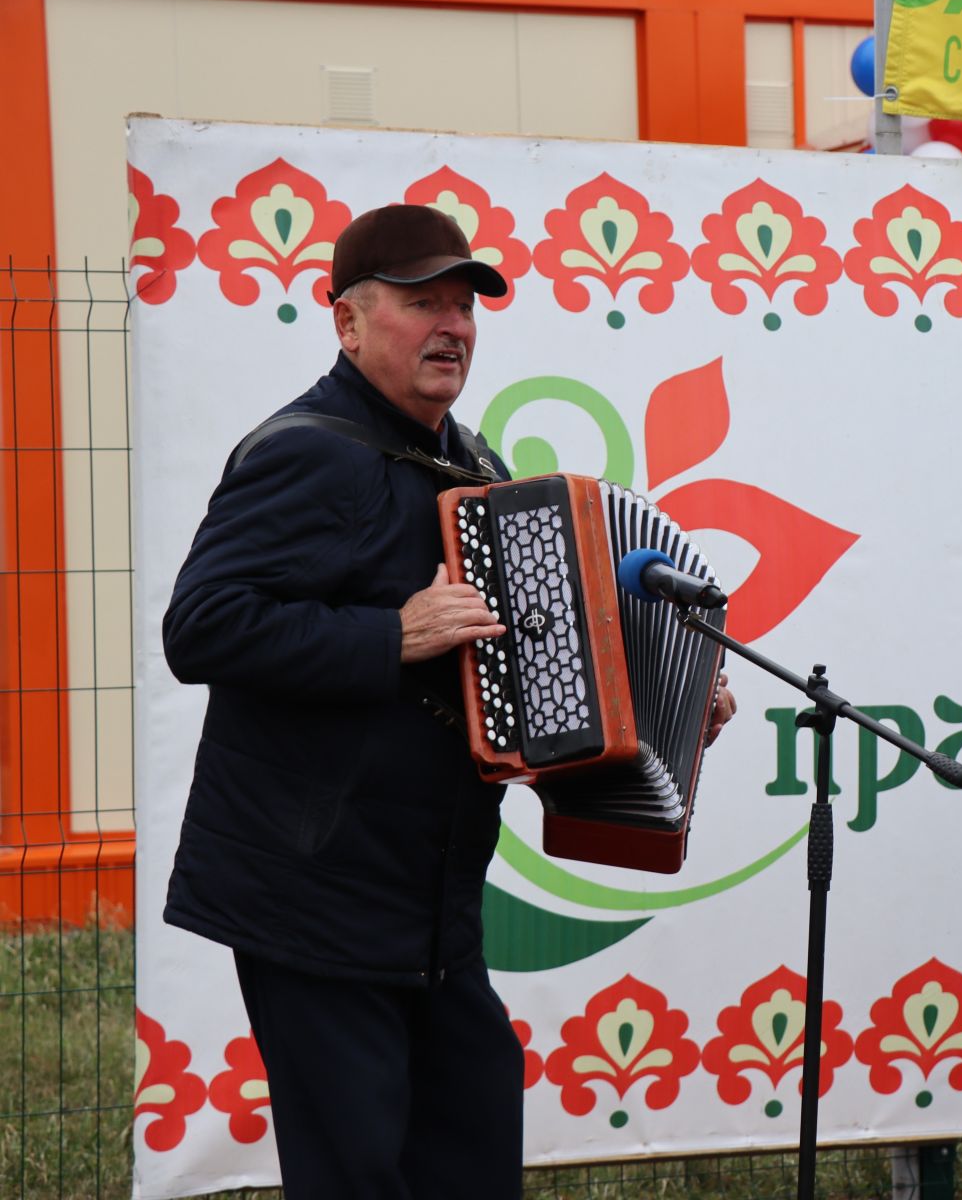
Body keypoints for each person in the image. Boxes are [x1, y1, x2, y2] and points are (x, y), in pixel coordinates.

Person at [161, 204, 736, 1197]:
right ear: (347, 322)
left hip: (430, 905)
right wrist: (392, 633)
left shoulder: (477, 467)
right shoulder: (308, 451)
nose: (453, 325)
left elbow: (519, 680)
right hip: (315, 889)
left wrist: (657, 715)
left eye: (465, 304)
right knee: (355, 1171)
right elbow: (202, 625)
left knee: (469, 1148)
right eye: (422, 301)